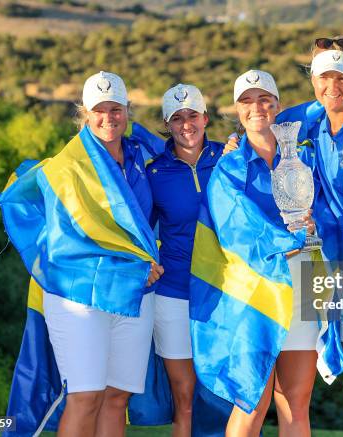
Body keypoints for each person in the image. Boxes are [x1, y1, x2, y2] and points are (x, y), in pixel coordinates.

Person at [226, 39, 343, 436]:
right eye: (324, 77)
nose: (332, 86)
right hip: (335, 274)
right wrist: (236, 141)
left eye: (341, 77)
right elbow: (264, 121)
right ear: (312, 81)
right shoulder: (311, 127)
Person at [0, 71, 164, 437]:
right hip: (81, 297)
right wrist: (134, 268)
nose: (109, 117)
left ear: (127, 110)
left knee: (116, 396)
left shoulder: (141, 153)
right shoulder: (67, 167)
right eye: (100, 110)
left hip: (136, 295)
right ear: (85, 113)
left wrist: (231, 142)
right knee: (85, 396)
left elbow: (185, 148)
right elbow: (68, 244)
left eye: (116, 109)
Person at [190, 69, 322, 437]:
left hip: (305, 278)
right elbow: (239, 231)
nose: (257, 107)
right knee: (253, 400)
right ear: (237, 110)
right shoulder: (228, 168)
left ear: (279, 105)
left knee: (296, 401)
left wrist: (315, 225)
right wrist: (292, 238)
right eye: (247, 101)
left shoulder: (307, 155)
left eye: (265, 99)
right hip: (255, 290)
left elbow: (328, 207)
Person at [146, 83, 224, 436]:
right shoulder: (154, 173)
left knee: (228, 391)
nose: (186, 124)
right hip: (173, 292)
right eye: (176, 118)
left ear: (205, 118)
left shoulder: (230, 158)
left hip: (223, 292)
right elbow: (140, 230)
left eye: (192, 115)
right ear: (167, 124)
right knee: (185, 396)